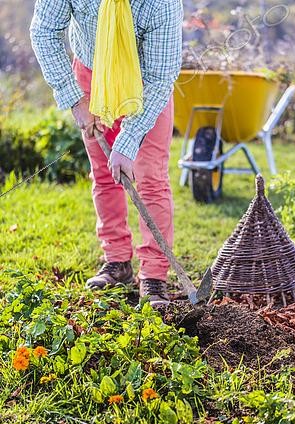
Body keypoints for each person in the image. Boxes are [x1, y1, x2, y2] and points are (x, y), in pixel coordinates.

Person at [30, 0, 184, 305]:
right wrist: (75, 99)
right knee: (104, 173)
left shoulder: (163, 4)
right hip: (91, 71)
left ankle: (153, 276)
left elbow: (160, 78)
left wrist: (127, 143)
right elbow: (44, 31)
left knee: (150, 176)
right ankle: (117, 262)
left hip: (145, 82)